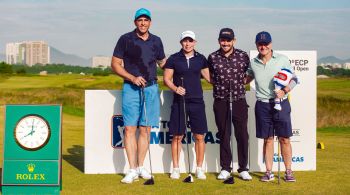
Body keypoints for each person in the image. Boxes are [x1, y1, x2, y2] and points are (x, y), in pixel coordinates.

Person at [111, 8, 166, 184]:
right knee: (129, 129)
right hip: (131, 88)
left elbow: (163, 63)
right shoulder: (125, 39)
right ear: (135, 22)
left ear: (150, 22)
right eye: (140, 20)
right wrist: (132, 77)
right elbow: (115, 64)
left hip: (150, 88)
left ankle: (141, 166)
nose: (143, 23)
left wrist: (181, 66)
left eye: (146, 20)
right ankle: (132, 169)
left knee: (145, 129)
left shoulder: (156, 41)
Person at [245, 31, 298, 182]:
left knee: (284, 139)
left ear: (271, 44)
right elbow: (246, 78)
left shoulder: (282, 59)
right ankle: (268, 172)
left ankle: (288, 171)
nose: (263, 46)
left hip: (281, 103)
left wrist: (285, 90)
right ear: (256, 45)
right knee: (268, 139)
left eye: (266, 43)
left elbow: (294, 79)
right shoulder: (253, 62)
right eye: (260, 44)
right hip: (262, 105)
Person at [163, 30, 211, 180]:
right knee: (177, 136)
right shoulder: (174, 59)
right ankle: (176, 168)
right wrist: (176, 88)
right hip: (180, 101)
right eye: (185, 41)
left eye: (190, 41)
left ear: (195, 42)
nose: (188, 43)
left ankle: (199, 168)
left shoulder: (201, 59)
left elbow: (210, 78)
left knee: (199, 136)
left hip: (197, 101)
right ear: (181, 42)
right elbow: (167, 79)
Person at [207, 28, 252, 181]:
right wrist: (219, 84)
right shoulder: (212, 57)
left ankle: (243, 168)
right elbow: (210, 77)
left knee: (242, 135)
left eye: (228, 40)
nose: (225, 43)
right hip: (221, 100)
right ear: (219, 40)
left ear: (234, 40)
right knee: (224, 135)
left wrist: (241, 83)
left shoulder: (243, 56)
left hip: (239, 99)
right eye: (223, 40)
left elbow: (250, 74)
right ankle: (225, 168)